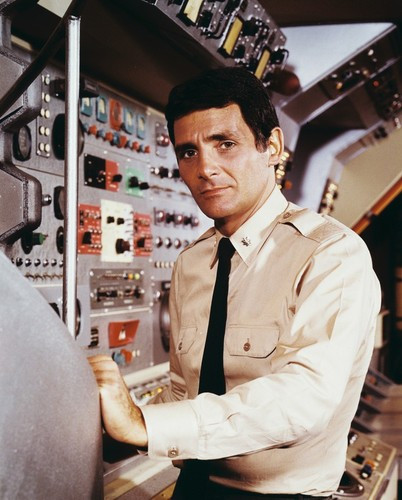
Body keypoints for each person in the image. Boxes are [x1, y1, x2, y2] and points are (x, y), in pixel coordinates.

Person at [89, 67, 381, 499]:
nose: (206, 168)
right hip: (192, 485)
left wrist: (144, 425)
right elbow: (182, 389)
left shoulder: (331, 254)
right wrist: (112, 427)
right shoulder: (191, 263)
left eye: (225, 144)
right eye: (189, 152)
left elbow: (305, 399)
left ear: (272, 147)